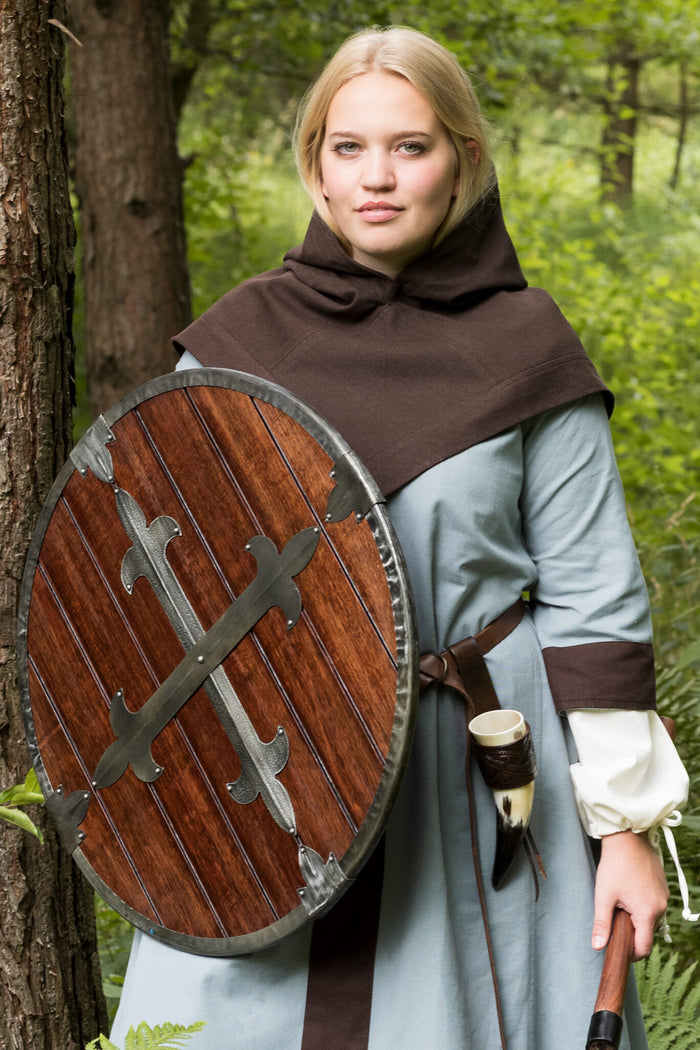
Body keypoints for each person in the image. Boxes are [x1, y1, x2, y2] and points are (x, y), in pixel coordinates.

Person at [110, 26, 692, 1050]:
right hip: (269, 775)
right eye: (348, 147)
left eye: (411, 147)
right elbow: (161, 599)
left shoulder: (527, 353)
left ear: (463, 161)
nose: (377, 177)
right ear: (316, 167)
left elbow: (593, 600)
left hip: (465, 778)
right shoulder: (234, 347)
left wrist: (626, 832)